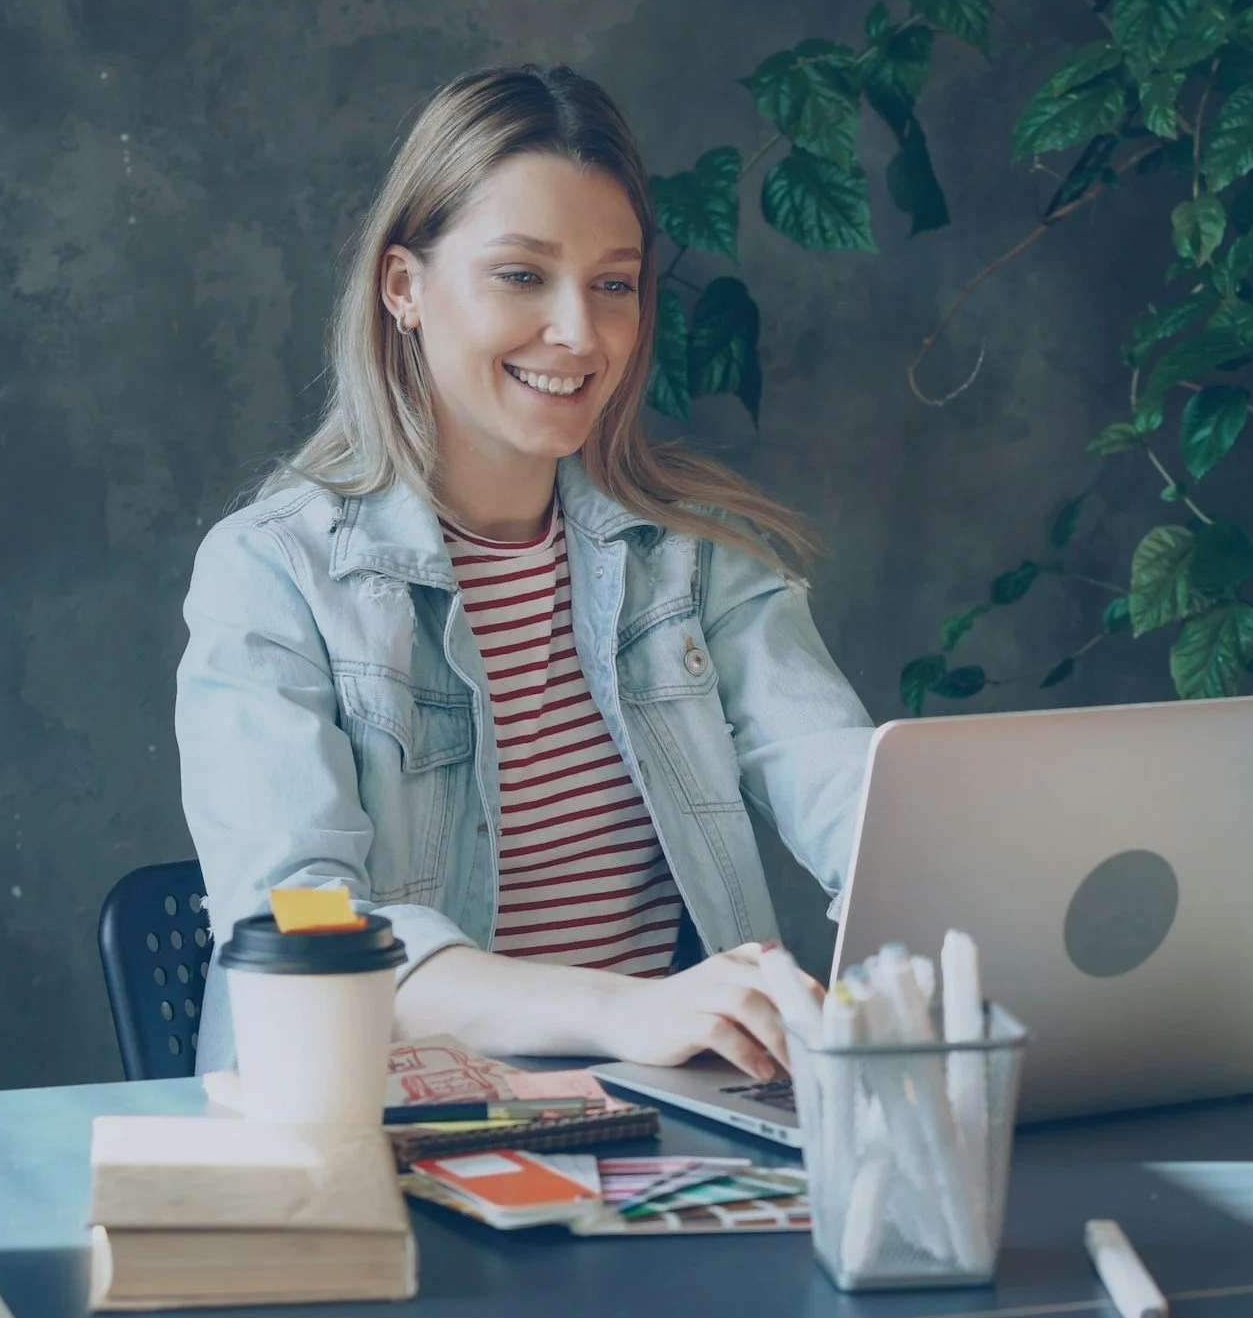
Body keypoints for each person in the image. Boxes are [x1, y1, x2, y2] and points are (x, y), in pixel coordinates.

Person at [174, 64, 873, 1084]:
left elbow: (851, 794)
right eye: (520, 275)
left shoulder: (695, 553)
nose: (581, 334)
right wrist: (631, 1012)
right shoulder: (270, 573)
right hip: (380, 1139)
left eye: (614, 284)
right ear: (403, 288)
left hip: (659, 1131)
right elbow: (313, 936)